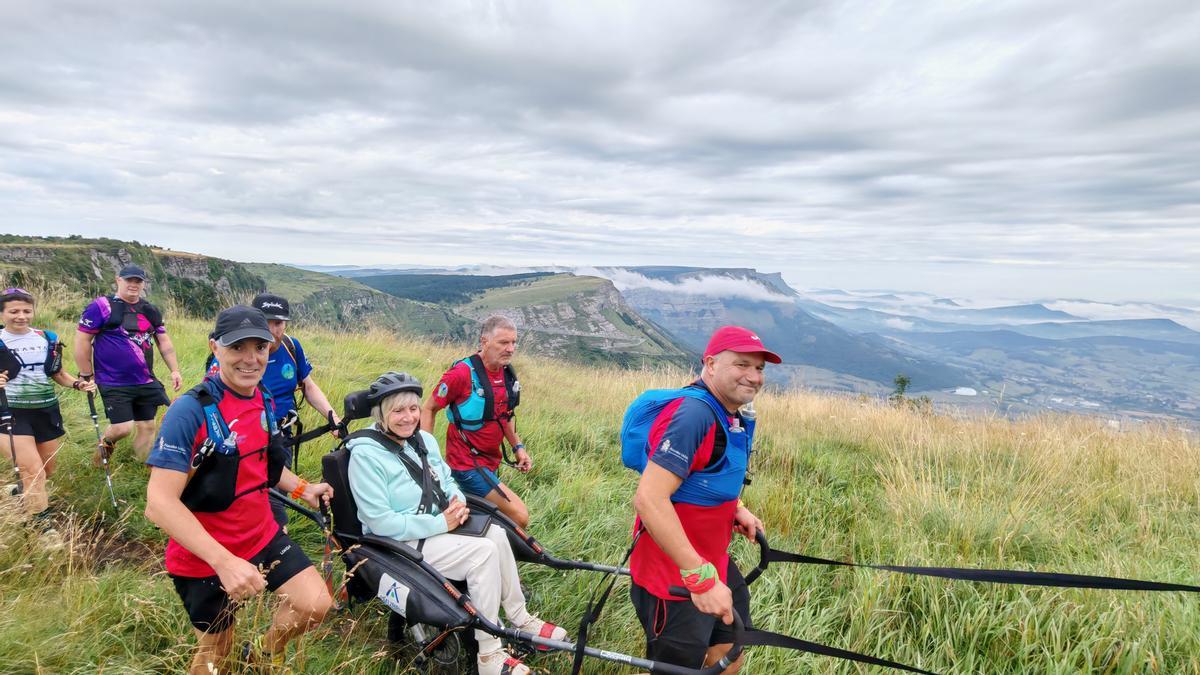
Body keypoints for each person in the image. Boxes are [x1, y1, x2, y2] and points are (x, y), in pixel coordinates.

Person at [144, 305, 334, 674]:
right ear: (215, 348)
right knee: (218, 656)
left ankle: (265, 652)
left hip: (261, 536)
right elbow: (158, 503)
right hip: (204, 556)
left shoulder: (260, 395)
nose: (251, 359)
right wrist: (224, 562)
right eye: (238, 348)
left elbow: (264, 465)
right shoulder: (190, 410)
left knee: (315, 605)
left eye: (259, 348)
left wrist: (303, 489)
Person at [348, 371, 566, 675]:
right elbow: (380, 521)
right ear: (381, 414)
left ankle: (520, 617)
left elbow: (446, 479)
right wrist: (441, 523)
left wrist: (457, 501)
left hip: (437, 524)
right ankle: (489, 656)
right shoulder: (365, 456)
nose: (408, 417)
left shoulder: (422, 439)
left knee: (498, 533)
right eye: (397, 410)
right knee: (483, 553)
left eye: (413, 408)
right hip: (398, 541)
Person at [628, 326, 780, 673]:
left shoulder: (728, 412)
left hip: (714, 561)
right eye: (742, 364)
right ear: (710, 364)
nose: (754, 377)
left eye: (759, 369)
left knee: (731, 651)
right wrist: (700, 579)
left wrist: (737, 508)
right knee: (680, 668)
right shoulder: (694, 415)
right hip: (675, 578)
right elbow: (649, 499)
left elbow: (704, 476)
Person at [208, 293, 342, 528]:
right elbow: (214, 400)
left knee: (277, 495)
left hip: (280, 437)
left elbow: (307, 384)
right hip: (242, 441)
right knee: (261, 502)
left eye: (278, 323)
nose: (273, 330)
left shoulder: (291, 346)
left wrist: (332, 416)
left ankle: (273, 539)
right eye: (266, 322)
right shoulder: (232, 358)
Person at [421, 315, 532, 527]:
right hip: (466, 465)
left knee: (487, 516)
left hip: (490, 462)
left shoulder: (507, 373)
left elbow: (505, 416)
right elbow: (429, 408)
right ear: (484, 342)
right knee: (520, 516)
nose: (510, 349)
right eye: (503, 342)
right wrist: (426, 458)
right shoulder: (462, 373)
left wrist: (518, 447)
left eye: (513, 342)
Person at [0, 287, 97, 526]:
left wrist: (77, 384)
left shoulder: (46, 338)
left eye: (26, 310)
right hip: (10, 412)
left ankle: (19, 491)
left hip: (45, 410)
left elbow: (57, 373)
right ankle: (43, 527)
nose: (21, 316)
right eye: (14, 311)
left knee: (47, 469)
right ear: (3, 313)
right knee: (34, 471)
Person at [76, 264, 182, 463]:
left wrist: (174, 370)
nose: (133, 284)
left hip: (145, 380)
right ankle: (99, 462)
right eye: (129, 280)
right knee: (122, 428)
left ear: (143, 284)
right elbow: (82, 340)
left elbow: (164, 342)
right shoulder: (100, 306)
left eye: (138, 281)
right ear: (118, 280)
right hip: (113, 380)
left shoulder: (149, 310)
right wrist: (86, 374)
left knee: (148, 426)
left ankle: (141, 464)